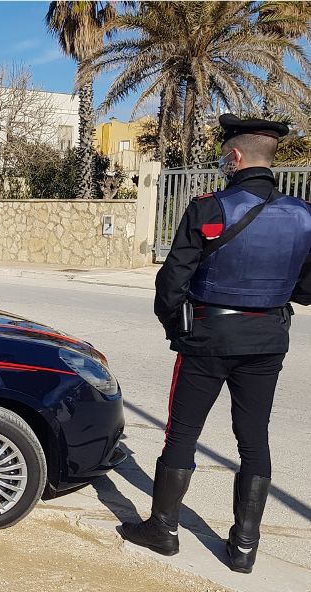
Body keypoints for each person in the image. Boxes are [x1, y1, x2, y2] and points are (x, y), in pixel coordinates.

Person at [120, 114, 311, 573]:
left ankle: (163, 530)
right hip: (267, 340)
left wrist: (178, 329)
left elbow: (171, 284)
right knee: (254, 439)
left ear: (236, 156)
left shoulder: (209, 208)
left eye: (227, 154)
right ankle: (245, 548)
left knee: (182, 433)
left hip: (206, 336)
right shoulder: (304, 216)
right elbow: (306, 291)